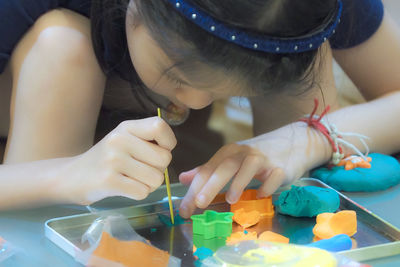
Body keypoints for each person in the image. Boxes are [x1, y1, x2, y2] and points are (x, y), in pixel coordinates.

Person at [0, 0, 399, 216]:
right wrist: (63, 175)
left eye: (232, 89)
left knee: (306, 60)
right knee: (63, 46)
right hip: (23, 163)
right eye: (176, 75)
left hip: (185, 160)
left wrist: (305, 138)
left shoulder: (298, 10)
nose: (193, 102)